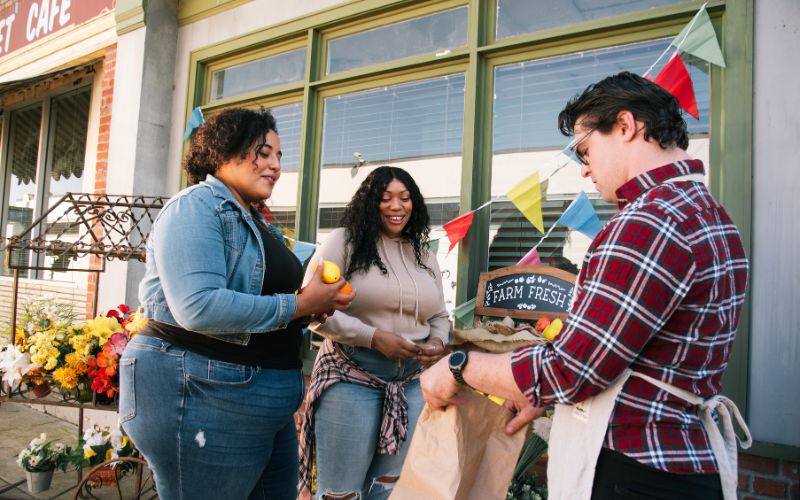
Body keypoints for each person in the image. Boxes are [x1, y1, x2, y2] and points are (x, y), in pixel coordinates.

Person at [420, 71, 750, 500]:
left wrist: (459, 366)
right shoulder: (711, 214)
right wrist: (543, 392)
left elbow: (573, 369)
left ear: (627, 126)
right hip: (682, 460)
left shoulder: (648, 221)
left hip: (634, 469)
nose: (585, 170)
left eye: (584, 150)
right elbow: (635, 358)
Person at [119, 108, 353, 500]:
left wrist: (310, 307)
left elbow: (257, 302)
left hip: (259, 401)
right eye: (264, 152)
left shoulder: (255, 220)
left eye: (279, 156)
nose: (276, 165)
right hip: (203, 398)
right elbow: (198, 306)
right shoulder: (197, 206)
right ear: (226, 148)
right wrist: (296, 305)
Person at [298, 166, 451, 500]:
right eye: (386, 198)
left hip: (410, 385)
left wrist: (438, 341)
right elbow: (312, 310)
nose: (397, 206)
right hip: (351, 377)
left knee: (388, 489)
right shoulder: (343, 242)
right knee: (342, 494)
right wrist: (373, 337)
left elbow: (440, 314)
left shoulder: (425, 254)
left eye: (405, 198)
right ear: (370, 202)